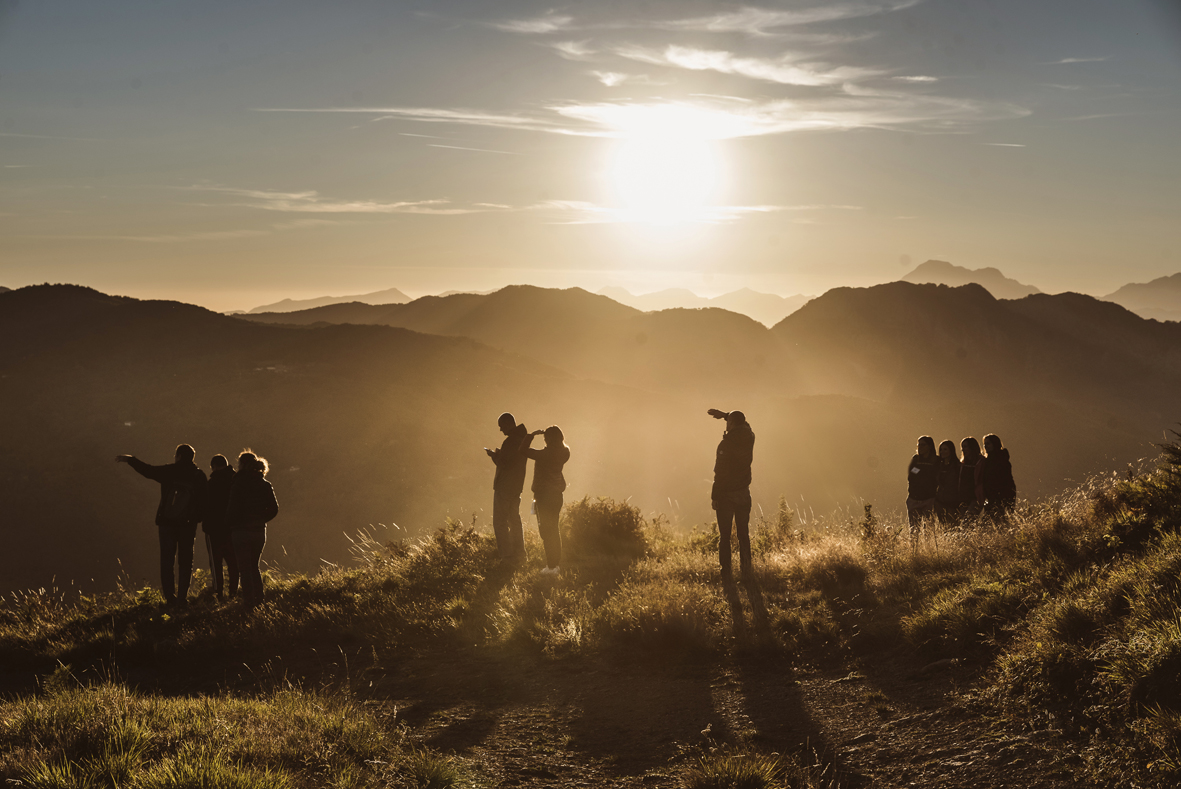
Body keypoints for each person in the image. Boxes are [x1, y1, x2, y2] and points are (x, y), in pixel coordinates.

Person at [116, 444, 208, 606]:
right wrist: (196, 518)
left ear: (178, 456)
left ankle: (170, 598)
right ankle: (182, 598)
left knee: (167, 560)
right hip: (188, 525)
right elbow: (204, 501)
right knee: (186, 560)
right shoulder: (198, 475)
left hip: (167, 523)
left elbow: (148, 471)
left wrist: (131, 460)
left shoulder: (170, 471)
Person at [227, 451, 278, 609]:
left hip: (240, 531)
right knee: (254, 565)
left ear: (241, 465)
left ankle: (249, 601)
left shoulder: (238, 484)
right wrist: (260, 520)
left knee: (244, 568)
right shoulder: (264, 484)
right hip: (258, 531)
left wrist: (230, 523)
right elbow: (274, 509)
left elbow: (232, 508)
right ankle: (259, 599)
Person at [708, 408, 755, 580]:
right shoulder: (750, 437)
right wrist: (727, 416)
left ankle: (726, 573)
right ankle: (746, 570)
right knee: (743, 534)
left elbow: (720, 473)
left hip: (726, 495)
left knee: (725, 536)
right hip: (744, 493)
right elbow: (746, 425)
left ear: (732, 424)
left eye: (729, 422)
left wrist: (715, 496)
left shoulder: (725, 444)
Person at [522, 425, 571, 575]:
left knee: (546, 531)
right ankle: (555, 564)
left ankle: (551, 566)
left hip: (544, 496)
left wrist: (531, 435)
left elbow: (522, 450)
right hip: (557, 495)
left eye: (545, 438)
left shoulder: (545, 454)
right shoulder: (565, 452)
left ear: (548, 439)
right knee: (554, 530)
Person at [485, 412, 528, 560]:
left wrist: (494, 456)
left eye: (502, 426)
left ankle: (507, 556)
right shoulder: (522, 440)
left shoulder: (510, 442)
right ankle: (520, 553)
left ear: (508, 424)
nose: (501, 430)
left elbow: (505, 464)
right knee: (514, 520)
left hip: (504, 486)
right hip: (516, 486)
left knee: (500, 521)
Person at [203, 454, 238, 600]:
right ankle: (234, 592)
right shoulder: (235, 481)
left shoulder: (211, 484)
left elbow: (204, 506)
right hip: (233, 528)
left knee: (216, 563)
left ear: (214, 467)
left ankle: (218, 593)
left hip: (214, 529)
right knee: (233, 562)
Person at [905, 436, 938, 537]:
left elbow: (935, 477)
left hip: (929, 499)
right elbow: (912, 474)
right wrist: (924, 473)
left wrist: (920, 472)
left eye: (923, 445)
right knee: (914, 529)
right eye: (918, 444)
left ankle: (928, 550)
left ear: (930, 446)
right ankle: (914, 550)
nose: (920, 447)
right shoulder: (916, 459)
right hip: (914, 498)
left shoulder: (936, 460)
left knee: (929, 528)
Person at [980, 434, 1017, 520]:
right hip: (992, 496)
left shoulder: (1001, 459)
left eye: (988, 443)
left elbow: (1005, 479)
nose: (985, 446)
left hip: (1002, 495)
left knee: (999, 520)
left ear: (995, 444)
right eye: (984, 444)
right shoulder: (987, 461)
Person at [934, 440, 961, 525]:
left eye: (945, 449)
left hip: (953, 502)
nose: (942, 452)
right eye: (941, 449)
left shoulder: (957, 466)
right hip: (940, 501)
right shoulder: (938, 465)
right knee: (943, 527)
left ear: (951, 451)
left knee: (953, 526)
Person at [957, 437, 985, 520]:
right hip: (963, 497)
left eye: (965, 446)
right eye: (962, 447)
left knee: (967, 521)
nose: (963, 449)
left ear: (972, 448)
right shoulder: (963, 463)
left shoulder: (981, 461)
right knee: (964, 522)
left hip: (975, 497)